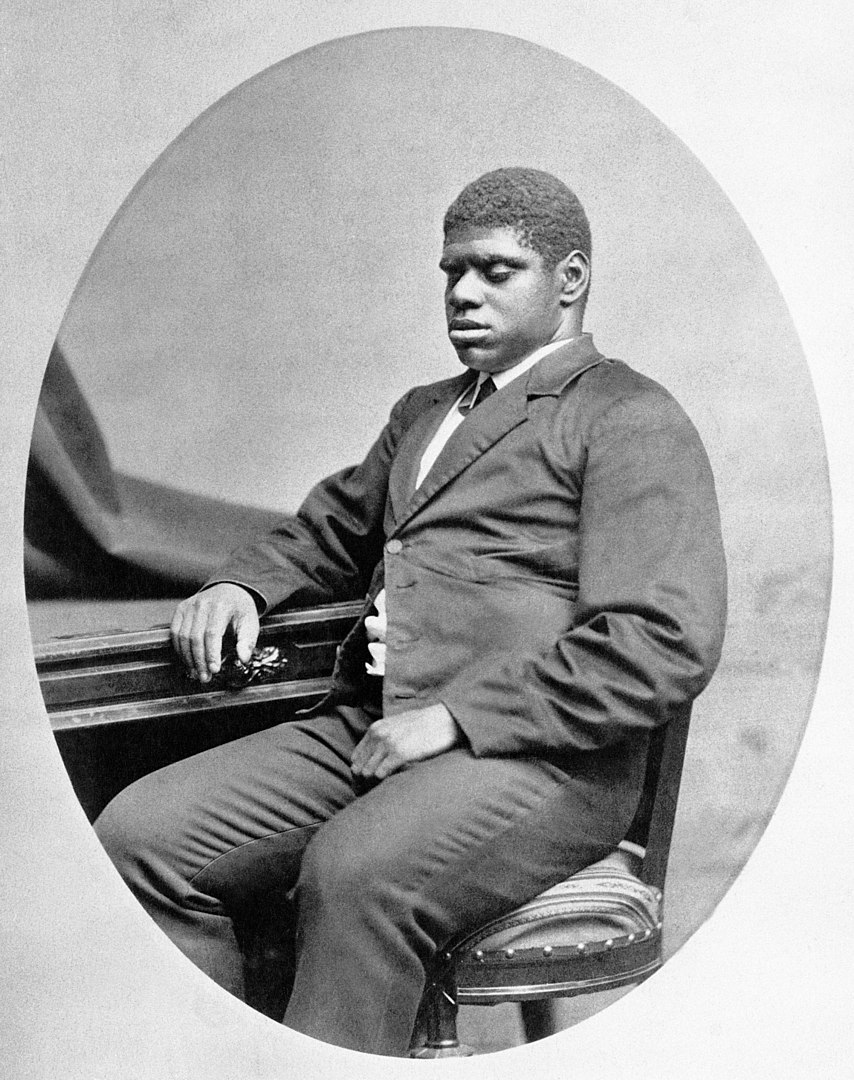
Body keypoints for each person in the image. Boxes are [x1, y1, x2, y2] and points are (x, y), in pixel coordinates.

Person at [95, 167, 727, 1057]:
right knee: (140, 839)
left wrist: (457, 719)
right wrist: (238, 586)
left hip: (544, 760)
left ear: (570, 281)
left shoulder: (627, 416)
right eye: (450, 271)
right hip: (378, 722)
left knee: (355, 872)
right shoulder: (424, 413)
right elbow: (328, 532)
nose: (462, 293)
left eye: (495, 271)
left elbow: (661, 643)